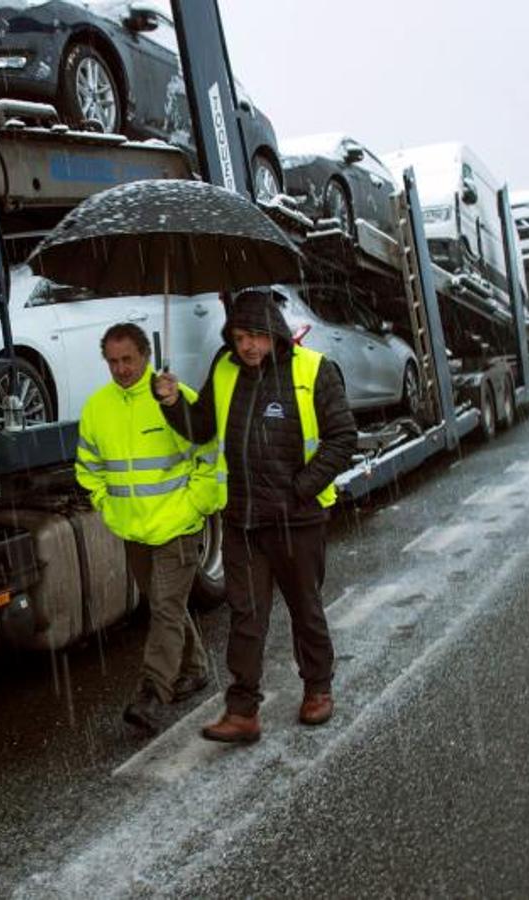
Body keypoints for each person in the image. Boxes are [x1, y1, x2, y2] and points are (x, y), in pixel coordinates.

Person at [154, 288, 356, 743]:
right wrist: (171, 403)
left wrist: (300, 490)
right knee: (246, 617)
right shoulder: (224, 370)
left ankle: (318, 689)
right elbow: (201, 429)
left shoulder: (313, 370)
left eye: (257, 336)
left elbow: (343, 438)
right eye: (240, 336)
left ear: (276, 333)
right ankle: (243, 710)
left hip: (298, 521)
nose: (247, 346)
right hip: (243, 523)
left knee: (306, 609)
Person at [75, 323, 221, 735]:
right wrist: (105, 505)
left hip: (177, 525)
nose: (121, 369)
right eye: (113, 361)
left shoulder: (174, 398)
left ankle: (153, 693)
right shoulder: (96, 408)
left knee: (164, 607)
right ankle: (194, 669)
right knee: (164, 605)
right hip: (133, 530)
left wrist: (196, 505)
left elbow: (209, 457)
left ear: (146, 356)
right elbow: (89, 468)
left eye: (128, 360)